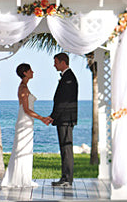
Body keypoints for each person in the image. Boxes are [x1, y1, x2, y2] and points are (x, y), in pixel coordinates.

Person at [1, 63, 50, 188]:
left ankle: (24, 177)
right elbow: (26, 109)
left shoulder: (25, 87)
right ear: (25, 73)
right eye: (30, 70)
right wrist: (42, 118)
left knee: (25, 148)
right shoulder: (23, 88)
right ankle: (19, 179)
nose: (33, 72)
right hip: (24, 121)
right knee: (22, 148)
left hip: (27, 121)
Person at [47, 53, 78, 187]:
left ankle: (67, 179)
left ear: (63, 62)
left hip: (65, 119)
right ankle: (65, 178)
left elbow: (63, 102)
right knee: (65, 149)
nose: (54, 65)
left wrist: (53, 116)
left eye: (56, 62)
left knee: (66, 149)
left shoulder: (69, 78)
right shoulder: (67, 77)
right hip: (64, 118)